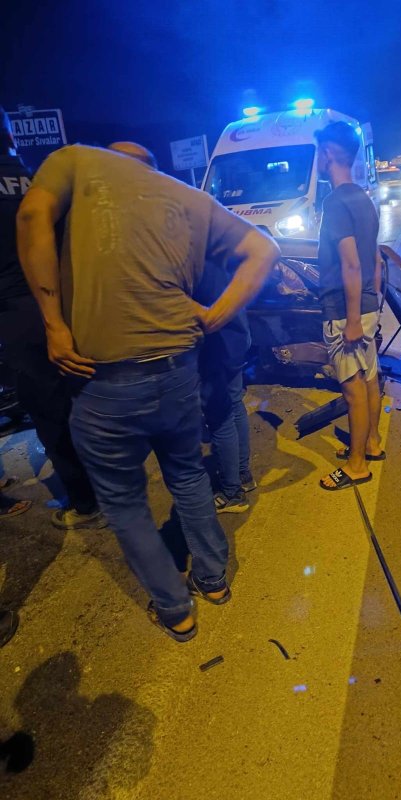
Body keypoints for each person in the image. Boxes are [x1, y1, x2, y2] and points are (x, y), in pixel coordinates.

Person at [17, 141, 279, 641]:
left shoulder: (77, 161)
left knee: (123, 500)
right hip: (177, 371)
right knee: (187, 475)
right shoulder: (190, 198)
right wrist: (215, 316)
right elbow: (264, 250)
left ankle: (176, 609)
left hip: (105, 381)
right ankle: (213, 579)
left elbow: (31, 216)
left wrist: (53, 323)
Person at [0, 106, 103, 528]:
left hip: (20, 313)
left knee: (48, 410)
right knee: (82, 395)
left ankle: (87, 502)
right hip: (68, 302)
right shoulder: (35, 179)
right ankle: (113, 482)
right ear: (10, 136)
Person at [315, 122, 385, 491]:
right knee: (369, 378)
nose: (317, 159)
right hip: (367, 303)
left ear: (328, 153)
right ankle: (372, 443)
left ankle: (356, 466)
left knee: (352, 388)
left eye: (318, 152)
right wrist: (373, 304)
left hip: (345, 310)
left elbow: (352, 264)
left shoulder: (335, 202)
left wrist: (353, 320)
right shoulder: (364, 199)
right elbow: (376, 259)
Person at [197, 263, 255, 513]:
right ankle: (242, 474)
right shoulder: (224, 251)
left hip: (215, 347)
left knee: (219, 419)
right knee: (234, 404)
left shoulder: (199, 259)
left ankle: (232, 492)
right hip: (235, 339)